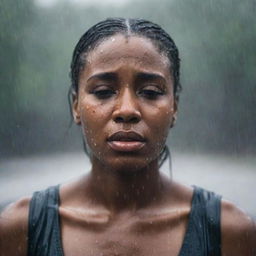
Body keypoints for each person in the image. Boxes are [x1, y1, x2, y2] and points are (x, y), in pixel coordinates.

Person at [0, 18, 255, 256]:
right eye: (102, 91)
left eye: (151, 91)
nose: (127, 110)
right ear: (76, 106)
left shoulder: (228, 232)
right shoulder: (21, 228)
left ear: (174, 107)